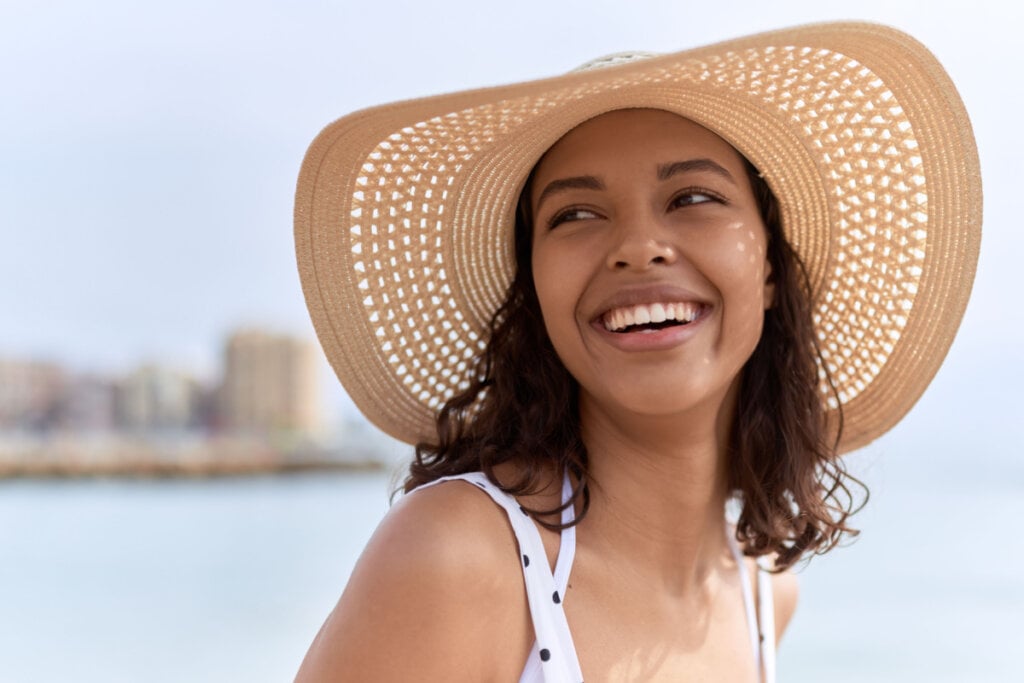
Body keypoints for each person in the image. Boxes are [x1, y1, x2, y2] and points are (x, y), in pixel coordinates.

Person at [292, 23, 980, 682]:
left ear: (770, 268)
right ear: (534, 285)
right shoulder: (459, 557)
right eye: (576, 215)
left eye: (694, 197)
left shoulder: (765, 596)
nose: (638, 245)